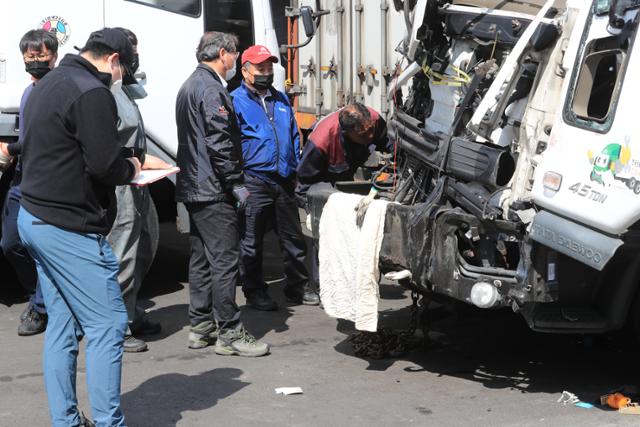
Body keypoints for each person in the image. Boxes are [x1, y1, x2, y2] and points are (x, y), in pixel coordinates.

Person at [17, 28, 142, 427]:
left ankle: (66, 421)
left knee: (63, 326)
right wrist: (134, 167)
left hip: (34, 217)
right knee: (108, 325)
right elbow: (105, 165)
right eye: (126, 68)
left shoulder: (52, 81)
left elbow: (70, 146)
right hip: (66, 225)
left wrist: (121, 158)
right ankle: (109, 422)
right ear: (114, 60)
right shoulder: (92, 91)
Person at [175, 31, 269, 357]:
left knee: (201, 259)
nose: (236, 61)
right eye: (235, 55)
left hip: (194, 186)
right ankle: (229, 331)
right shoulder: (212, 89)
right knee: (225, 261)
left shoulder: (190, 84)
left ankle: (200, 327)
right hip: (212, 189)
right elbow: (220, 142)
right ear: (223, 54)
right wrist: (235, 184)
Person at [232, 45, 319, 311]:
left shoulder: (280, 99)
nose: (266, 72)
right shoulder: (235, 100)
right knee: (251, 240)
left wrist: (294, 168)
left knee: (292, 238)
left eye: (269, 67)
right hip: (254, 178)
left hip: (283, 179)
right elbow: (232, 141)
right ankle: (255, 292)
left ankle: (297, 287)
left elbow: (294, 135)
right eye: (260, 68)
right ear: (245, 71)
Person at [107, 27, 171, 353]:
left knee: (142, 250)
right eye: (132, 51)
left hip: (138, 184)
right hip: (123, 186)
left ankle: (131, 314)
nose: (137, 57)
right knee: (122, 256)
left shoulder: (126, 90)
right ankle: (116, 328)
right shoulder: (106, 91)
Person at [296, 103, 392, 293]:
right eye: (364, 134)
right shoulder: (321, 141)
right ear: (347, 131)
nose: (370, 136)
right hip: (323, 180)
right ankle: (325, 287)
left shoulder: (373, 121)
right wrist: (311, 211)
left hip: (347, 173)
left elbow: (389, 144)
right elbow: (304, 182)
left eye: (370, 130)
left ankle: (351, 281)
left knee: (352, 229)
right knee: (325, 233)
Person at [0, 29, 58, 336]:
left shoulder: (56, 91)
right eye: (30, 56)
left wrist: (10, 148)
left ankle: (41, 307)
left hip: (45, 181)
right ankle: (40, 296)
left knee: (43, 246)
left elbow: (41, 138)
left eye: (41, 55)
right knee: (10, 242)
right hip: (22, 177)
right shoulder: (28, 91)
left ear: (54, 56)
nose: (35, 60)